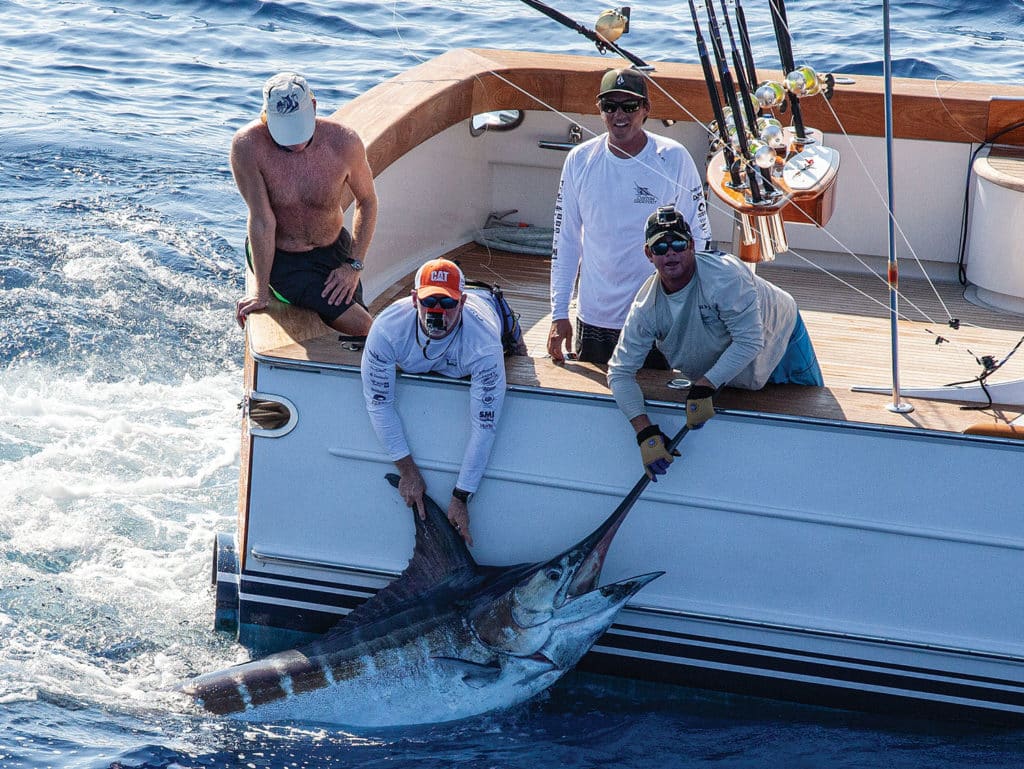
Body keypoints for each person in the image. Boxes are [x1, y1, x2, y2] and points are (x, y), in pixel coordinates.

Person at [608, 205, 823, 480]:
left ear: (692, 245)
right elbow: (619, 373)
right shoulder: (646, 308)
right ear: (649, 254)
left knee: (814, 422)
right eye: (660, 246)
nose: (670, 252)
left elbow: (750, 340)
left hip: (781, 340)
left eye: (678, 243)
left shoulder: (725, 276)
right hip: (726, 371)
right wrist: (645, 433)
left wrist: (705, 385)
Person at [548, 67, 713, 366]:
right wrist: (559, 313)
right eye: (609, 106)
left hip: (660, 317)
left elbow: (699, 239)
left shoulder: (673, 157)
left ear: (646, 109)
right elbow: (566, 241)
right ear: (599, 110)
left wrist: (694, 310)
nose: (619, 115)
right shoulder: (579, 160)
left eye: (630, 106)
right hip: (596, 319)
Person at [361, 258, 506, 545]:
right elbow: (379, 404)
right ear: (414, 300)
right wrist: (408, 472)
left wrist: (461, 497)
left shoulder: (485, 345)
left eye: (448, 303)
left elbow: (484, 427)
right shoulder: (387, 330)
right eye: (430, 301)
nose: (438, 311)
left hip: (489, 311)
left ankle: (485, 296)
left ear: (461, 302)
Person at [232, 72, 378, 334]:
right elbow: (262, 219)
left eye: (300, 129)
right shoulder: (248, 146)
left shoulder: (344, 142)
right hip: (282, 259)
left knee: (360, 324)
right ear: (266, 116)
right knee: (364, 326)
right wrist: (261, 292)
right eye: (285, 132)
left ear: (313, 106)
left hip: (335, 251)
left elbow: (367, 201)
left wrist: (353, 265)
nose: (296, 142)